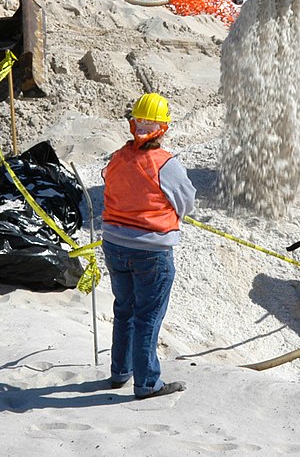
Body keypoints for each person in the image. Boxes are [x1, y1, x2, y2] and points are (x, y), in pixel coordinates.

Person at [101, 91, 196, 400]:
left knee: (124, 310)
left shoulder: (117, 157)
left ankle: (120, 372)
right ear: (163, 127)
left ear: (134, 124)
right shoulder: (165, 163)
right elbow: (187, 202)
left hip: (114, 245)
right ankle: (147, 383)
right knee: (148, 317)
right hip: (151, 251)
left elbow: (111, 186)